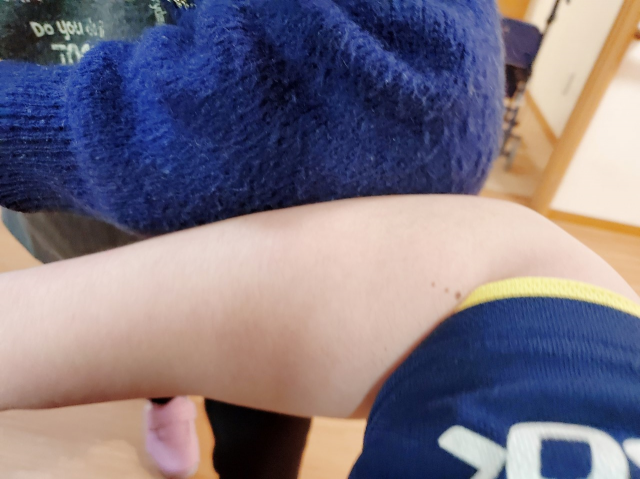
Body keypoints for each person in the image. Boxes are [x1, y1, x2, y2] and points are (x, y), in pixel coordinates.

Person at [0, 0, 504, 477]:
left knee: (260, 434)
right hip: (80, 214)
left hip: (268, 251)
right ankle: (165, 395)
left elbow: (424, 103)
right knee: (148, 344)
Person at [0, 195, 639, 478]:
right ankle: (165, 397)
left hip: (278, 191)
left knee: (261, 432)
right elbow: (513, 263)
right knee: (164, 347)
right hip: (109, 201)